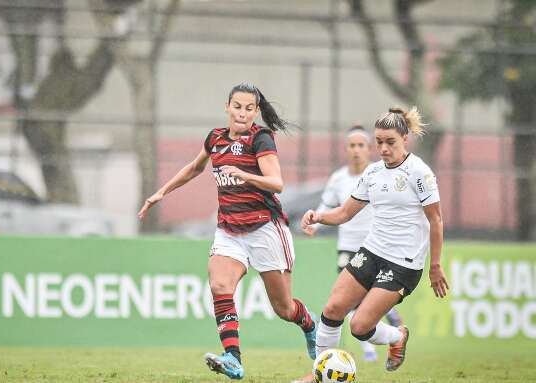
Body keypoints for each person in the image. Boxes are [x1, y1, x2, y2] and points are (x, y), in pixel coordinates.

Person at [138, 82, 317, 380]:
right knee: (220, 286)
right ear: (227, 107)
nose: (242, 113)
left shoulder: (261, 139)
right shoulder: (215, 138)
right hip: (230, 230)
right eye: (237, 106)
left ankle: (310, 325)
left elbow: (277, 183)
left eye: (249, 108)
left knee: (284, 308)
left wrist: (244, 173)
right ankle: (233, 358)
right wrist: (161, 192)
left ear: (256, 111)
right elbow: (195, 168)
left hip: (265, 229)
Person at [301, 107, 449, 373]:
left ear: (405, 138)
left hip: (404, 263)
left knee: (359, 326)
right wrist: (318, 216)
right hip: (372, 251)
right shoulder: (372, 173)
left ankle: (397, 336)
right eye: (378, 141)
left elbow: (436, 220)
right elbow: (346, 212)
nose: (383, 148)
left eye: (389, 141)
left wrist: (435, 266)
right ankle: (317, 374)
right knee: (333, 308)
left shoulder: (419, 172)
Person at [307, 125, 403, 362]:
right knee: (346, 302)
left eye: (361, 145)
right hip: (348, 248)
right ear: (346, 149)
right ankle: (369, 349)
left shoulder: (378, 173)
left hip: (376, 248)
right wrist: (315, 223)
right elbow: (328, 206)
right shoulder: (338, 178)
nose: (356, 150)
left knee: (367, 300)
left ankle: (389, 319)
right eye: (352, 145)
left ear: (369, 149)